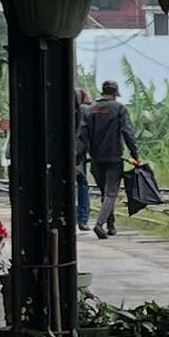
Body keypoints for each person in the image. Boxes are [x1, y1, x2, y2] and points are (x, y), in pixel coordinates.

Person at [84, 81, 142, 240]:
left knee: (105, 192)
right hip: (114, 157)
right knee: (110, 193)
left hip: (96, 158)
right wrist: (135, 155)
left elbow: (82, 135)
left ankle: (111, 225)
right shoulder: (119, 109)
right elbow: (128, 133)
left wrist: (81, 156)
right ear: (115, 93)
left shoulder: (90, 110)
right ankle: (99, 224)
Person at [74, 89, 92, 232]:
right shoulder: (84, 111)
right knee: (82, 185)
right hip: (78, 155)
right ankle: (82, 219)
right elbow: (84, 134)